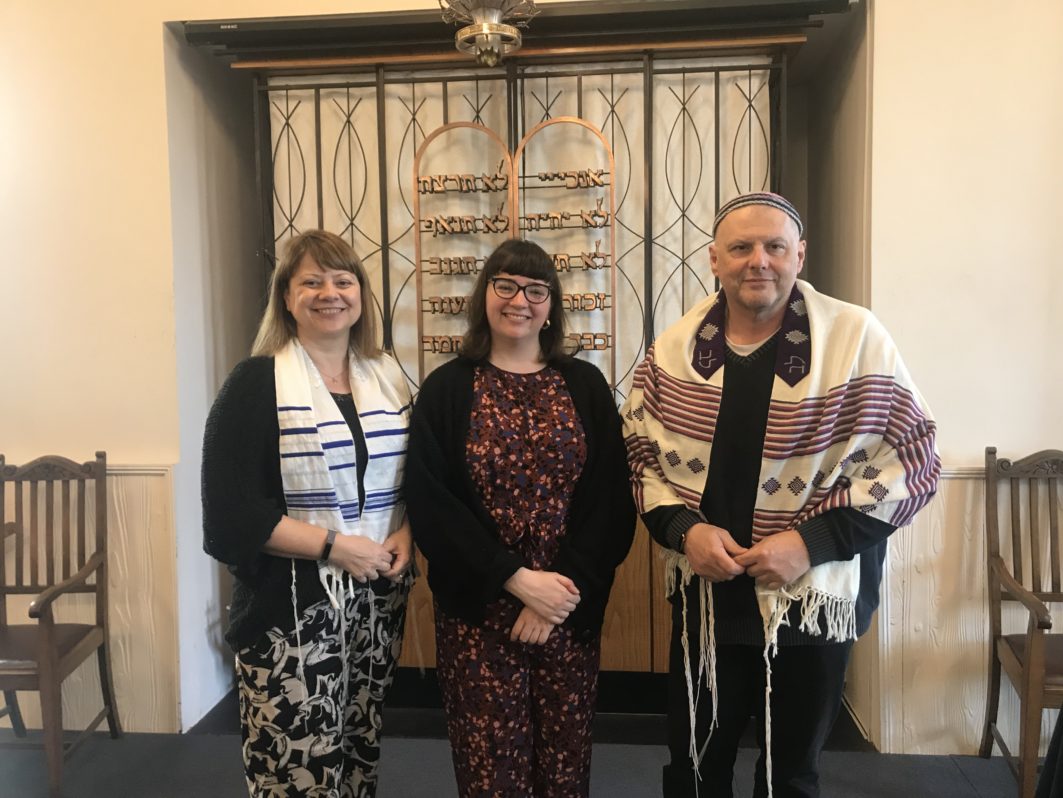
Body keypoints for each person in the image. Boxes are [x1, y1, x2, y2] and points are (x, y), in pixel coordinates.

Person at [621, 193, 940, 798]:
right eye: (740, 247)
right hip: (709, 599)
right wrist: (685, 531)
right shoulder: (674, 350)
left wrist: (807, 543)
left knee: (790, 775)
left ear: (801, 254)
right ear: (715, 260)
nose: (757, 261)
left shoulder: (856, 340)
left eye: (774, 246)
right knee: (692, 769)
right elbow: (640, 458)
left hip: (808, 601)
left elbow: (914, 460)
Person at [404, 238, 636, 797]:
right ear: (484, 295)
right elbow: (434, 504)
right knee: (491, 769)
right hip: (480, 613)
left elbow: (610, 497)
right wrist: (515, 578)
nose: (520, 300)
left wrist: (559, 591)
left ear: (551, 305)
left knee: (564, 763)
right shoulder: (447, 389)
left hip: (566, 605)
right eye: (504, 285)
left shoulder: (584, 385)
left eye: (536, 289)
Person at [202, 230, 413, 798]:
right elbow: (229, 515)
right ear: (287, 296)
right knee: (296, 766)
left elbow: (410, 480)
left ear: (361, 295)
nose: (330, 293)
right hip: (289, 611)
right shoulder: (255, 383)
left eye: (343, 280)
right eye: (312, 281)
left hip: (374, 604)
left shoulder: (386, 377)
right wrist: (335, 546)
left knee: (357, 750)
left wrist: (406, 532)